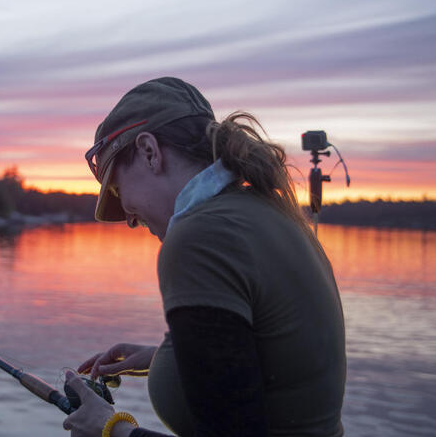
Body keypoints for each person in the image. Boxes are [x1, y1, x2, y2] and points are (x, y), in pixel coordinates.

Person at [62, 77, 346, 437]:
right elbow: (279, 359)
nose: (130, 218)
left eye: (119, 189)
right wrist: (168, 359)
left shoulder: (199, 237)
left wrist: (109, 428)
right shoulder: (266, 210)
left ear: (150, 152)